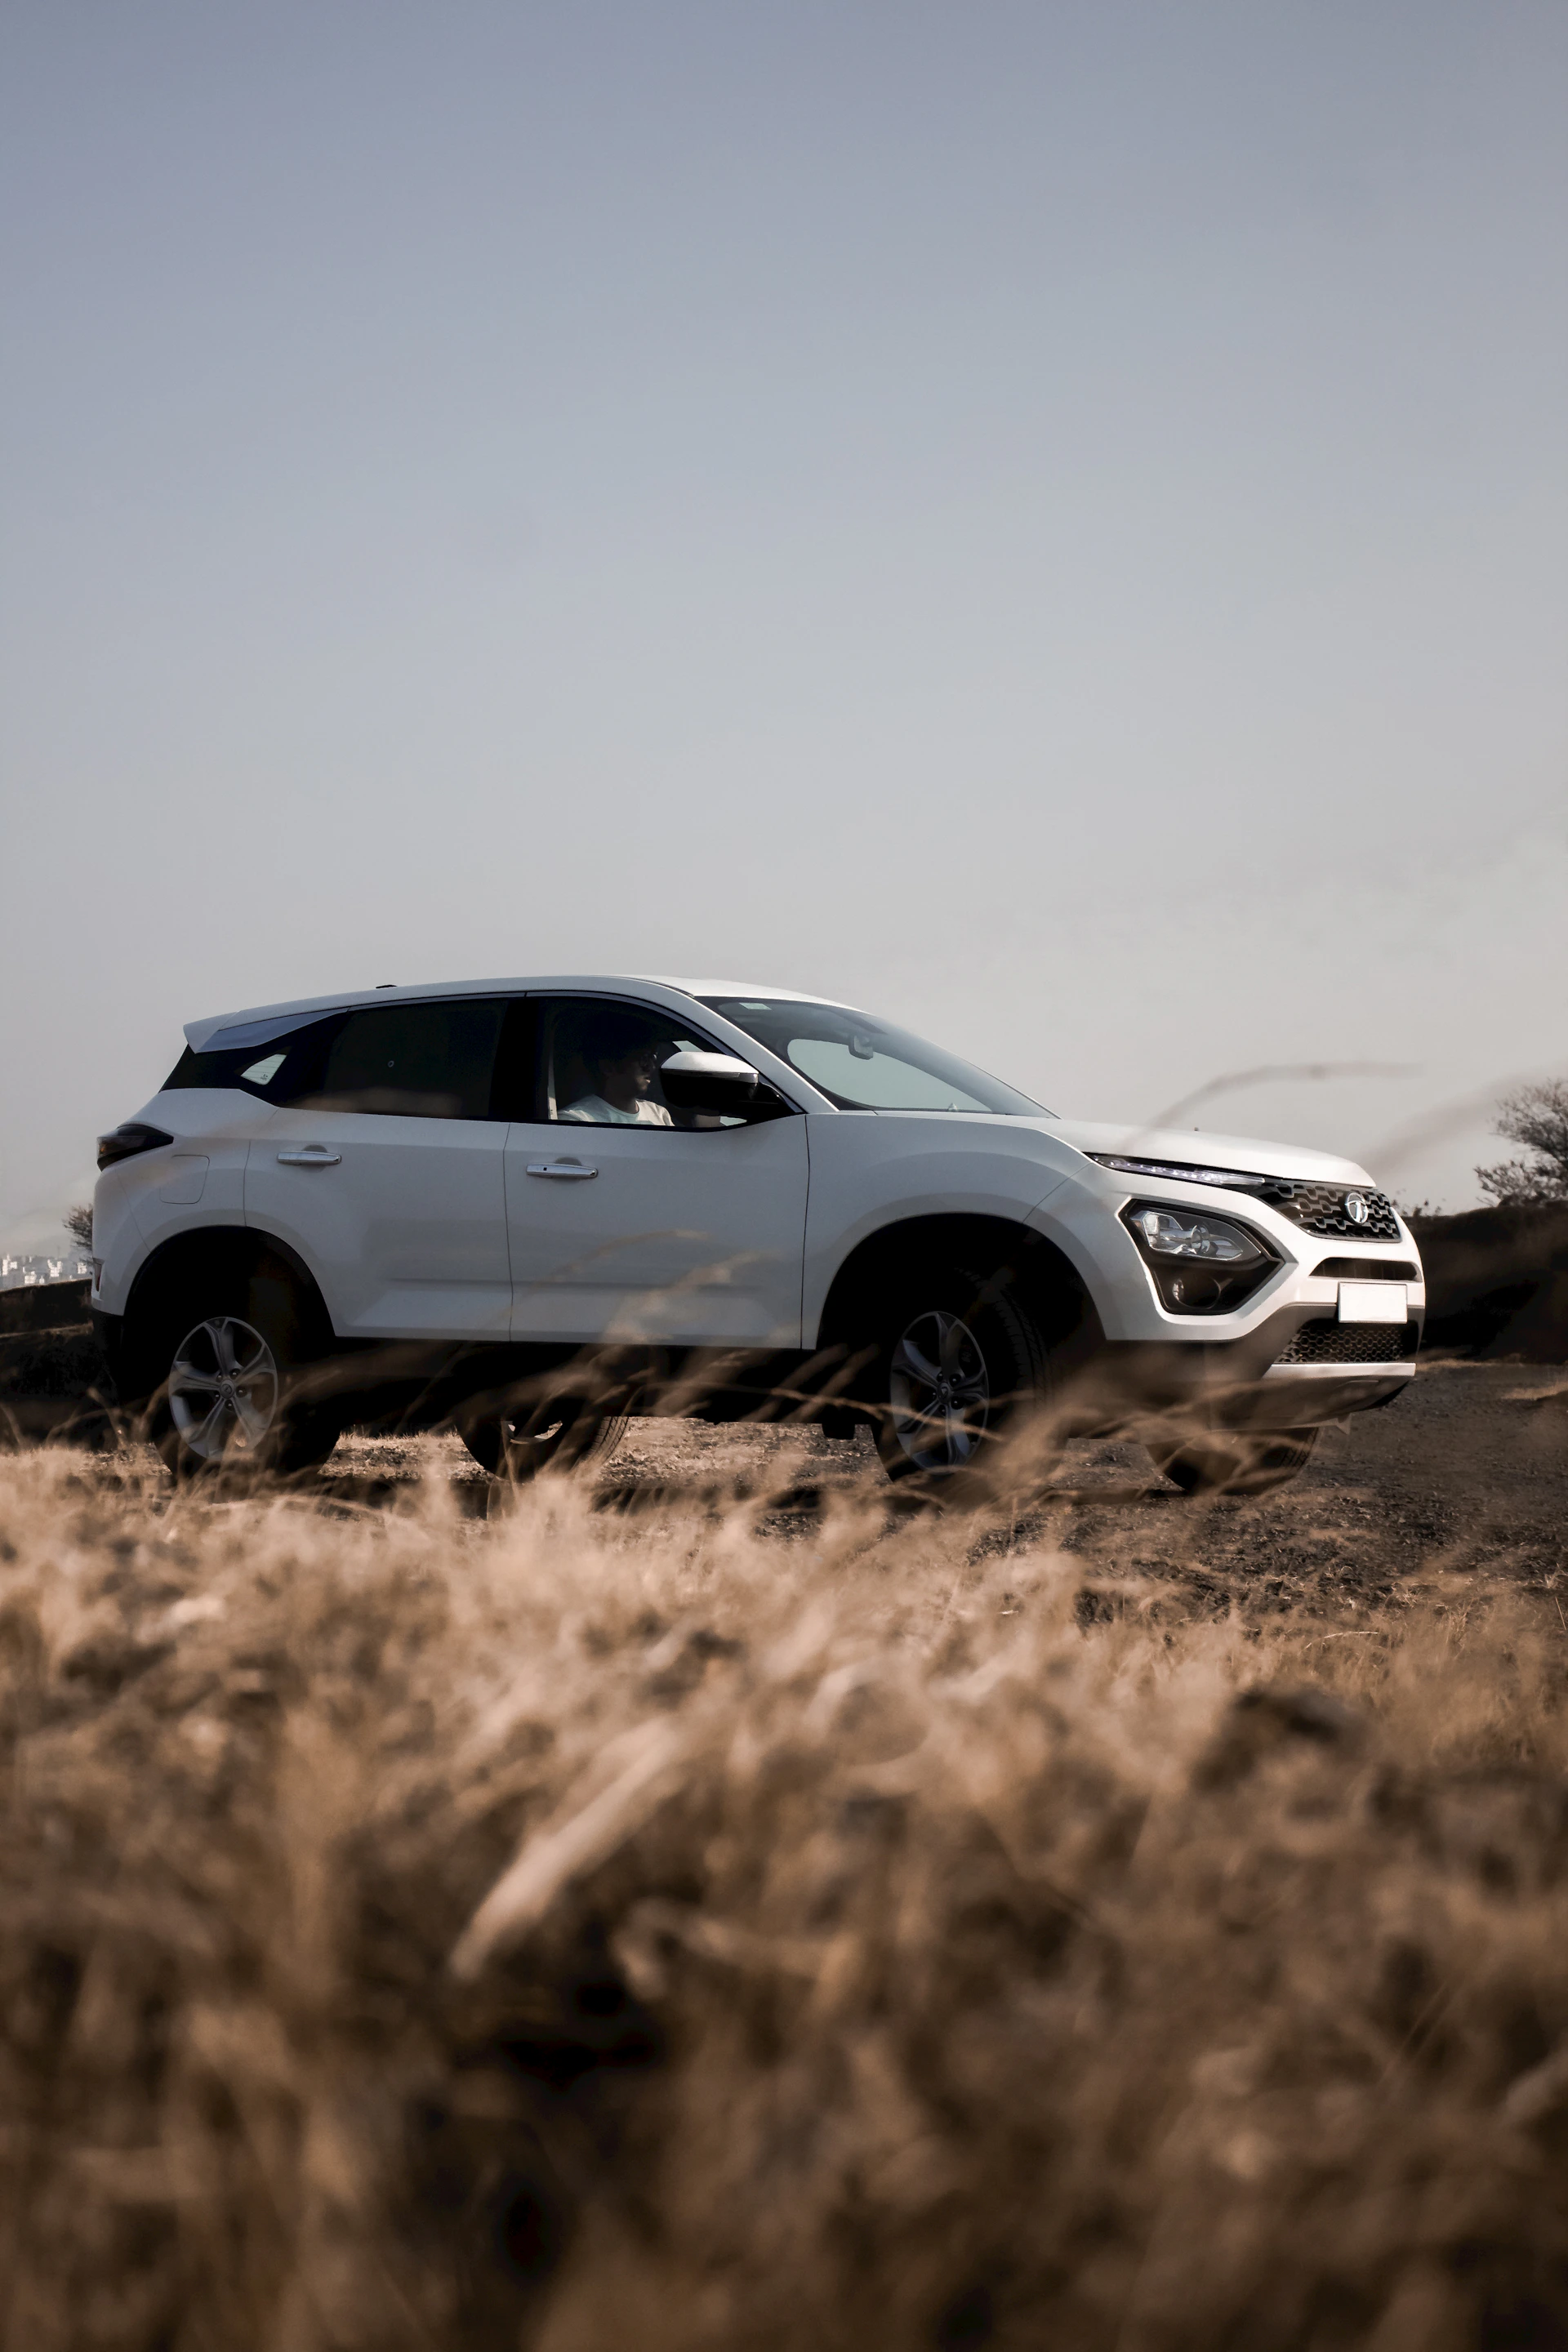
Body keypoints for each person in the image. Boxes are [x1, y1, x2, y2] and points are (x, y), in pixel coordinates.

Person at [559, 1013, 675, 1126]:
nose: (651, 1067)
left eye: (653, 1057)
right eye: (643, 1058)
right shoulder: (576, 1120)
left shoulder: (659, 1114)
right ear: (608, 1067)